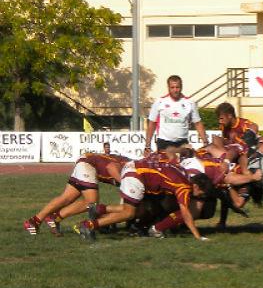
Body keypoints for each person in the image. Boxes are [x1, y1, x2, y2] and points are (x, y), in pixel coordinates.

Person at [76, 157, 215, 241]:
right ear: (196, 186)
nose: (199, 197)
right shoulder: (184, 187)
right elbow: (185, 213)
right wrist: (197, 236)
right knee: (129, 213)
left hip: (136, 169)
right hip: (137, 174)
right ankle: (88, 225)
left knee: (131, 209)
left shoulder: (183, 173)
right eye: (201, 194)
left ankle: (98, 209)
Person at [23, 153, 130, 236]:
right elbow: (111, 167)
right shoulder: (128, 166)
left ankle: (35, 220)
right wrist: (124, 183)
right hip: (88, 165)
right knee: (91, 202)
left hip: (85, 162)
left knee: (66, 198)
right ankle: (55, 217)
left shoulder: (129, 165)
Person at [145, 75, 208, 155]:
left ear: (181, 87)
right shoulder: (160, 102)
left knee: (186, 165)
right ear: (168, 87)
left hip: (182, 142)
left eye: (177, 87)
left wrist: (205, 143)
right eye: (172, 87)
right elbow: (151, 124)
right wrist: (147, 146)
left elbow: (198, 123)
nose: (175, 90)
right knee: (167, 165)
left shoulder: (189, 102)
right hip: (164, 142)